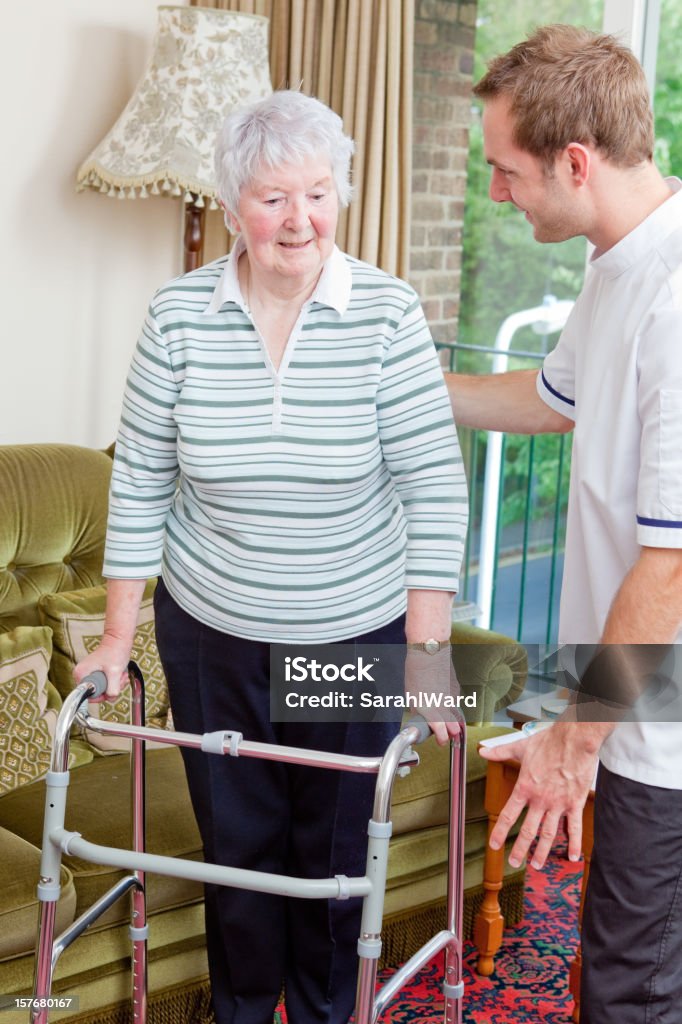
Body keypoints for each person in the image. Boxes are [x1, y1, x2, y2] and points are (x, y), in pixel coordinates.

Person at [75, 90, 468, 1024]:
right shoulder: (178, 316)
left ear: (341, 196)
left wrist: (427, 654)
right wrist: (115, 637)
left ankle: (331, 1015)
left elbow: (435, 488)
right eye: (273, 198)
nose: (301, 221)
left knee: (333, 859)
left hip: (351, 635)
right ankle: (244, 1010)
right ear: (231, 204)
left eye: (320, 194)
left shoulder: (387, 314)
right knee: (237, 856)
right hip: (214, 636)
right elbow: (139, 485)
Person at [446, 24, 682, 1024]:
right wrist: (397, 386)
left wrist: (571, 746)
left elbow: (670, 569)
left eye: (505, 171)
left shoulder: (674, 299)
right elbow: (550, 399)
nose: (496, 191)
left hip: (660, 736)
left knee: (630, 990)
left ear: (573, 163)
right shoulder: (619, 263)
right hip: (632, 708)